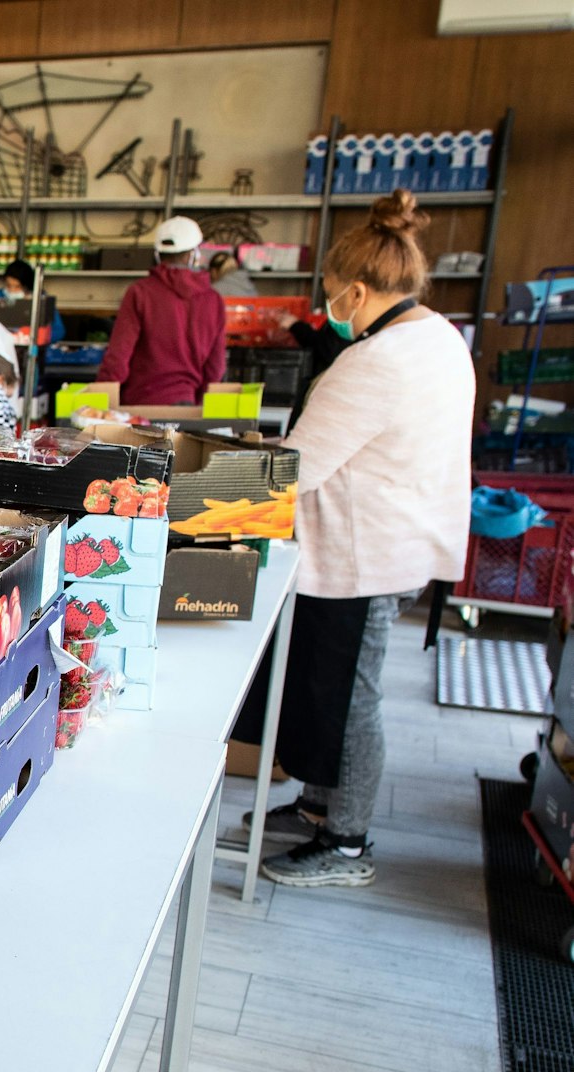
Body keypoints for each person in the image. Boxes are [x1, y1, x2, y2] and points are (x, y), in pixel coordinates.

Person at [234, 190, 473, 888]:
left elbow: (296, 467)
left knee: (350, 695)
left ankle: (345, 843)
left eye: (335, 298)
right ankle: (315, 806)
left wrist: (184, 493)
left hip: (366, 551)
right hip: (398, 534)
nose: (329, 312)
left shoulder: (375, 361)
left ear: (360, 290)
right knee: (325, 683)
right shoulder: (437, 334)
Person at [94, 216, 225, 405]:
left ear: (158, 255)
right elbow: (216, 367)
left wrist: (100, 401)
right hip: (186, 404)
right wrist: (197, 403)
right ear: (193, 255)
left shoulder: (140, 292)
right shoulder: (213, 300)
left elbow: (118, 356)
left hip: (140, 406)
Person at [0, 259, 64, 342]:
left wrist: (35, 336)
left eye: (17, 286)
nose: (12, 290)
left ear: (27, 287)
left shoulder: (39, 300)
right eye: (8, 285)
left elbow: (59, 331)